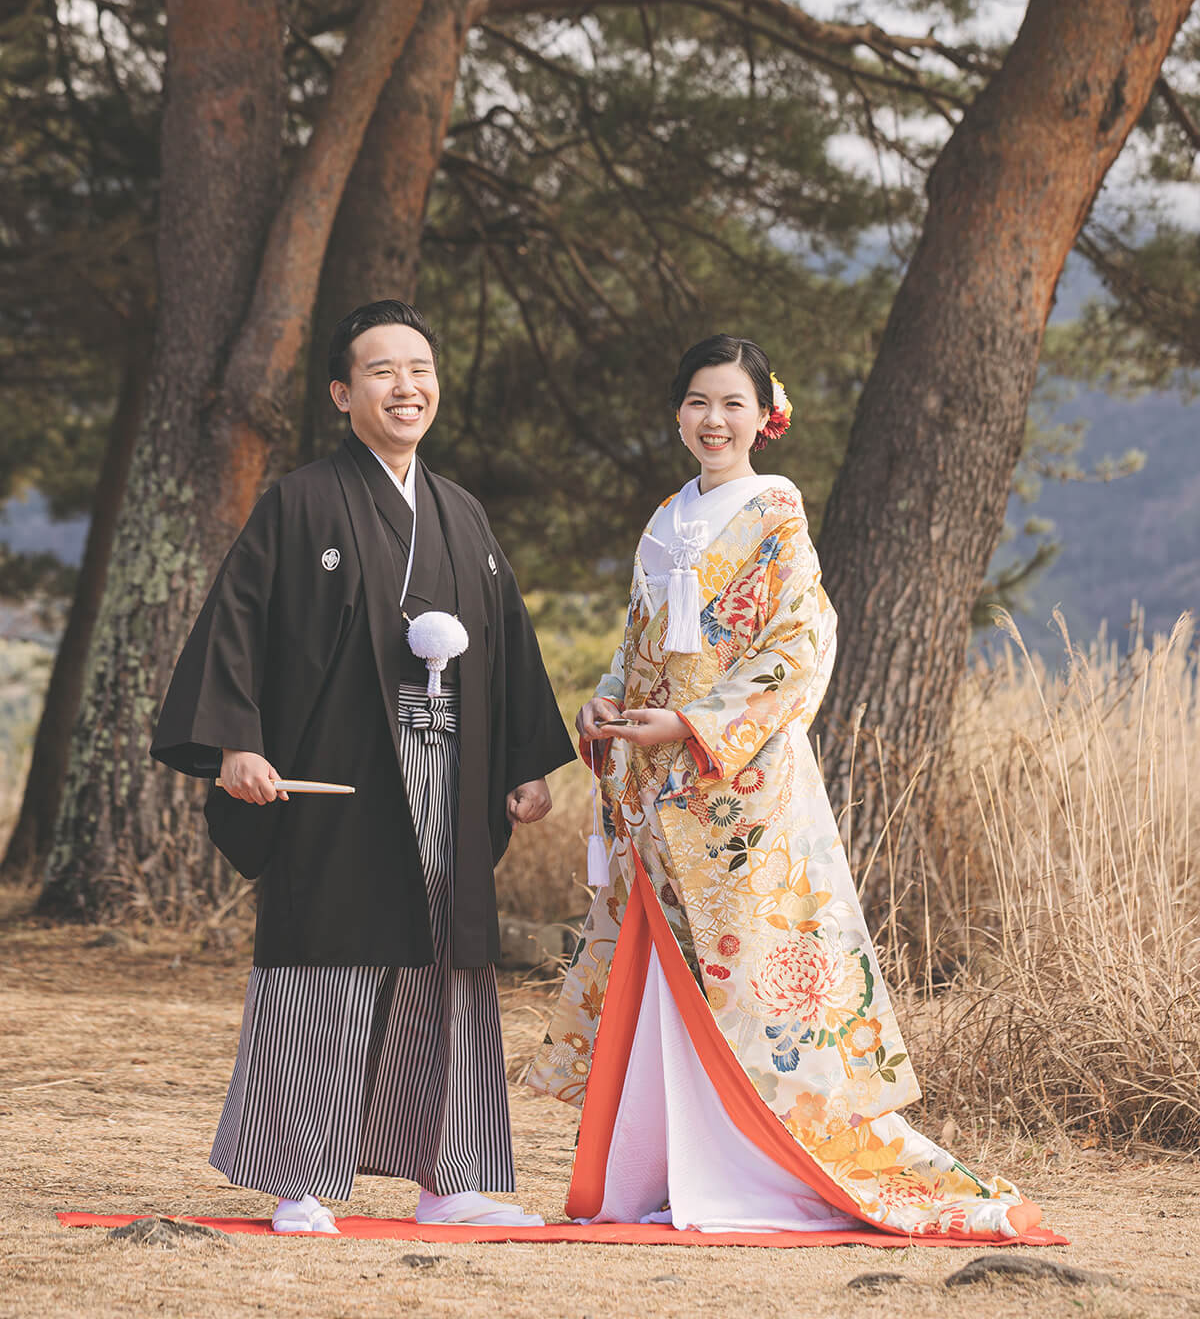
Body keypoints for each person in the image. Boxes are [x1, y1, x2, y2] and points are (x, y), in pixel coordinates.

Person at [528, 334, 1048, 1240]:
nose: (713, 420)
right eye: (697, 402)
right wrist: (608, 700)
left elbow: (801, 647)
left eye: (733, 403)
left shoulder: (775, 513)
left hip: (744, 791)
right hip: (660, 790)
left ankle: (764, 1174)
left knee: (759, 991)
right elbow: (638, 640)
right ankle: (675, 1173)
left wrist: (693, 725)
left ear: (766, 416)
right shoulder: (666, 517)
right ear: (678, 414)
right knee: (670, 982)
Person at [152, 299, 574, 1233]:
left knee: (449, 968)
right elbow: (237, 623)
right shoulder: (301, 502)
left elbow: (506, 647)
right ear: (344, 394)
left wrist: (523, 761)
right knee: (326, 964)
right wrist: (237, 742)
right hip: (340, 777)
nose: (405, 386)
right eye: (382, 371)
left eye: (419, 369)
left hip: (451, 775)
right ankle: (300, 1177)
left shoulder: (461, 513)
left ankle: (450, 1174)